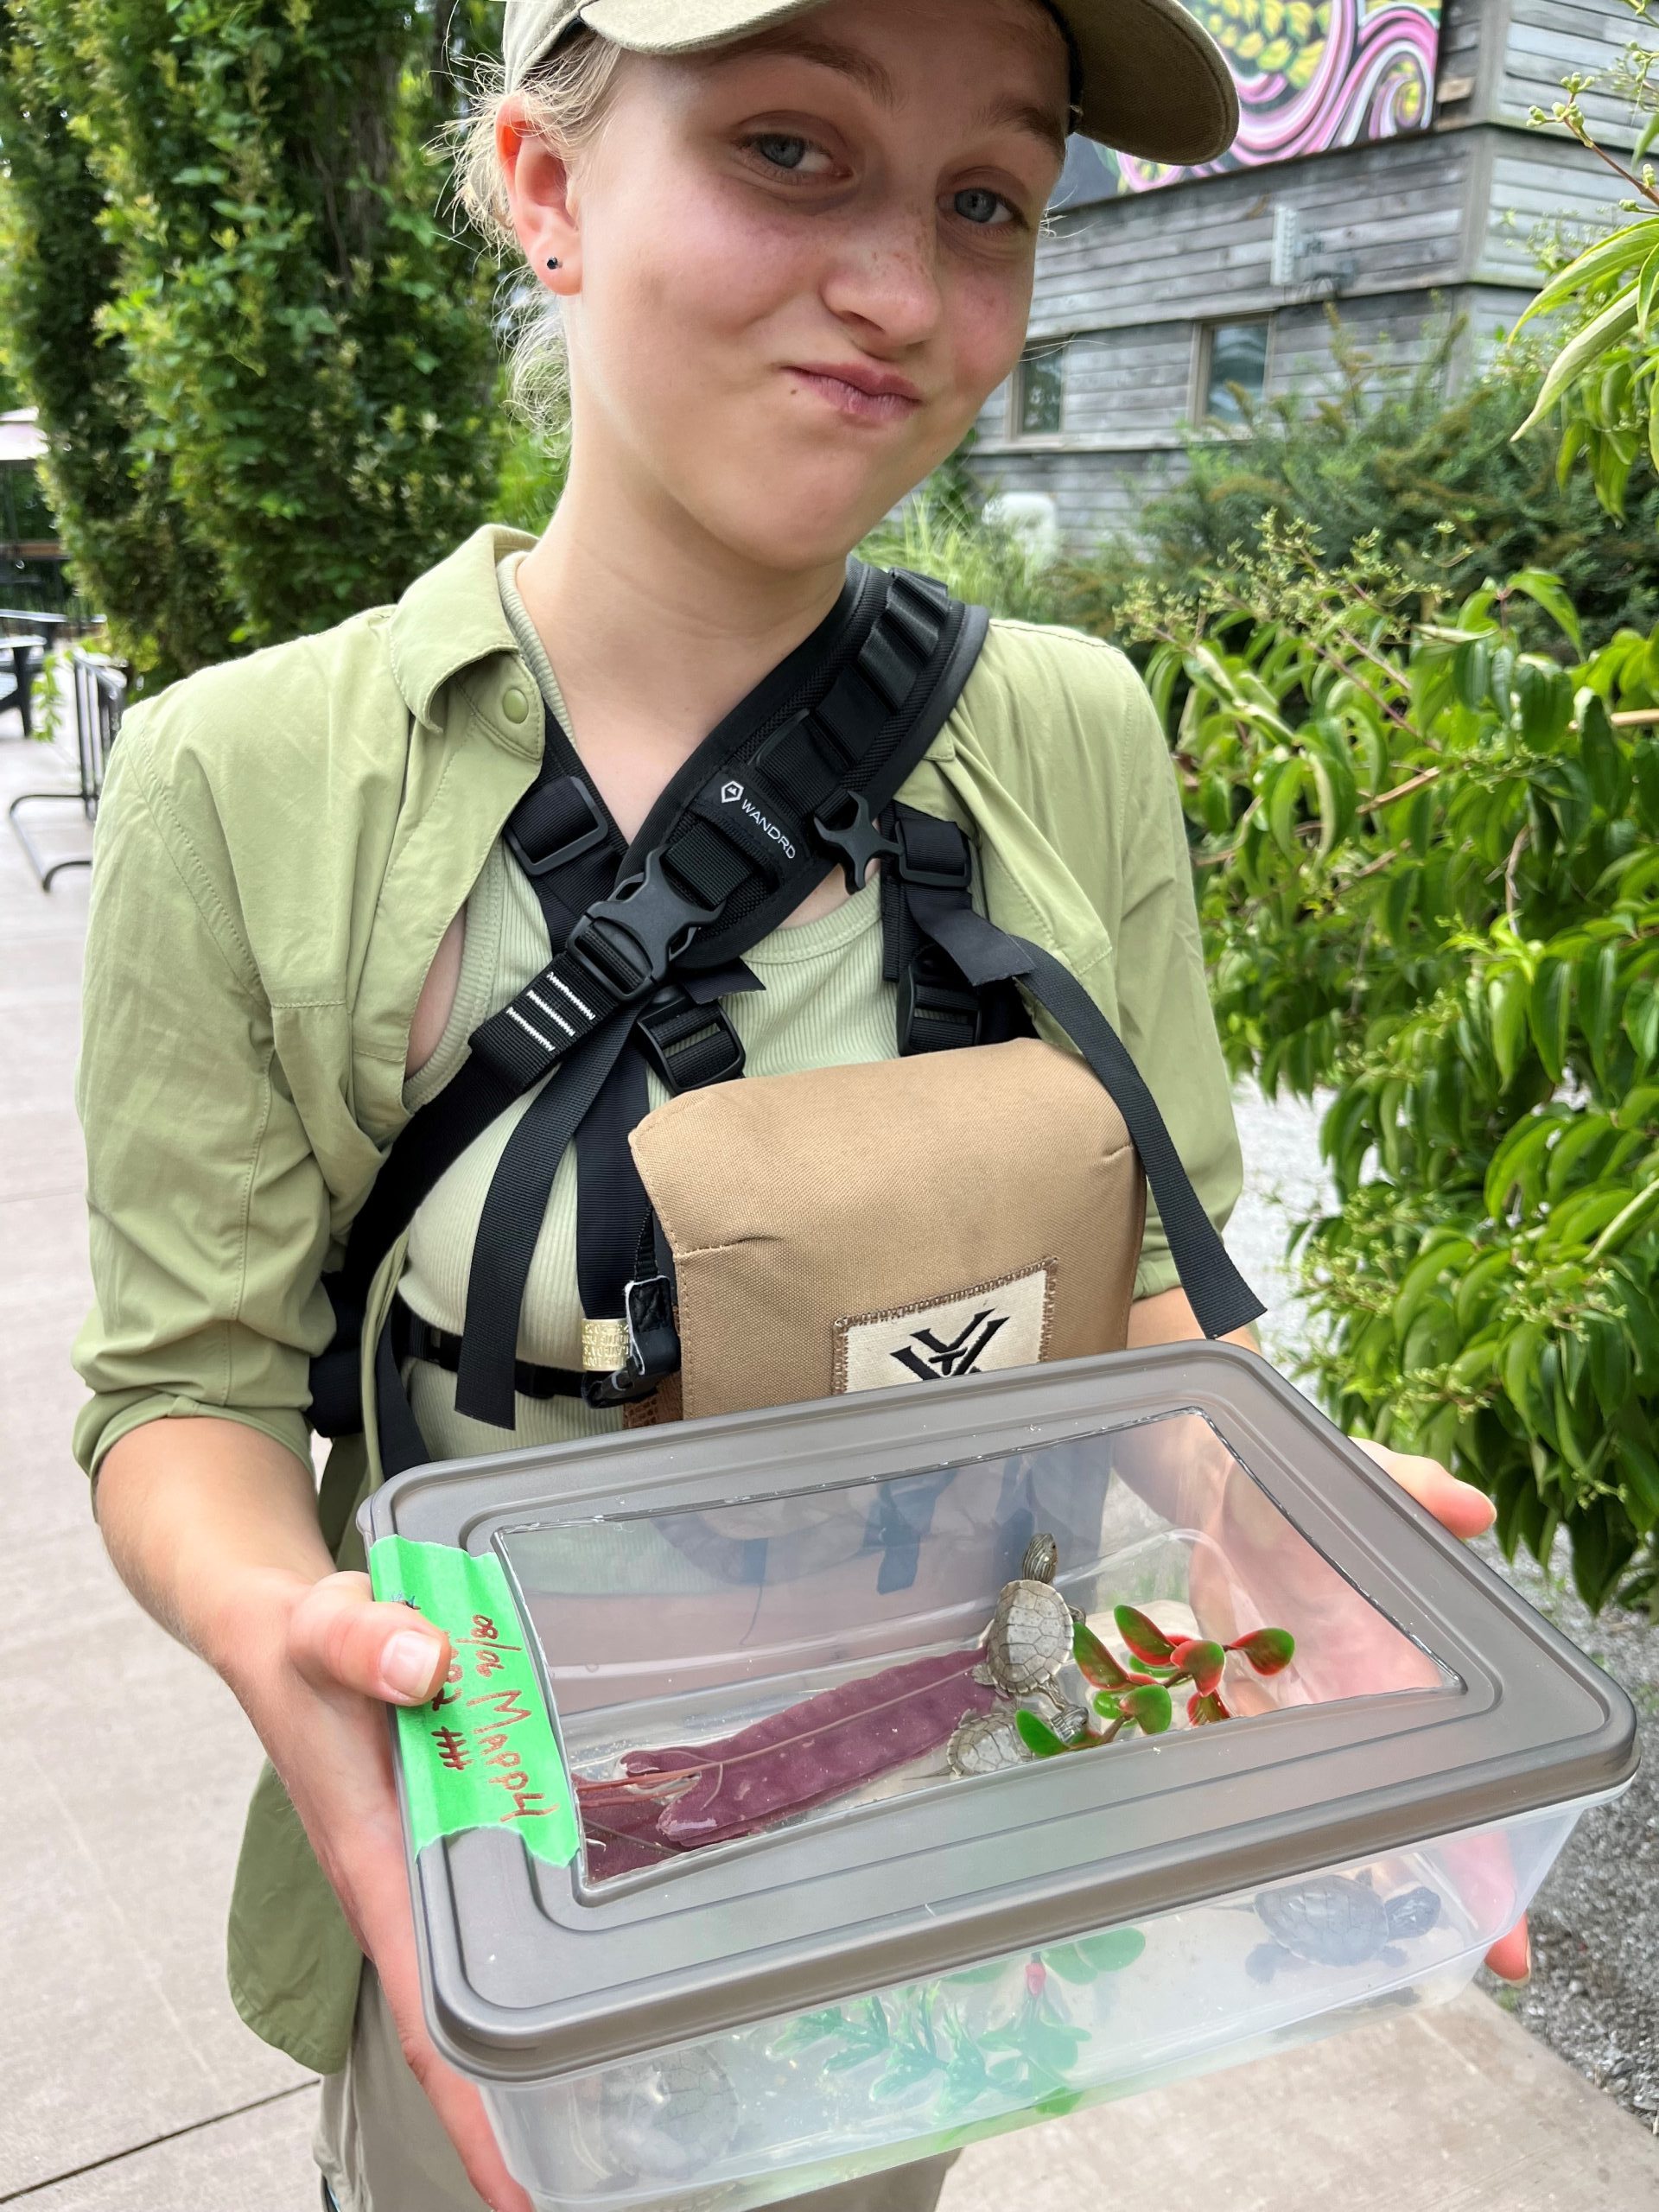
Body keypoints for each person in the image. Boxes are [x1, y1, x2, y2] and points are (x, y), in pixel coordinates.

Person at [71, 3, 1527, 2209]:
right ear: (548, 189)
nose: (906, 294)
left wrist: (1273, 1515)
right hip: (514, 1913)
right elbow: (182, 1396)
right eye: (787, 148)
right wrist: (289, 1638)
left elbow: (1144, 1296)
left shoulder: (1067, 736)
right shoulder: (252, 782)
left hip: (918, 1882)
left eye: (987, 203)